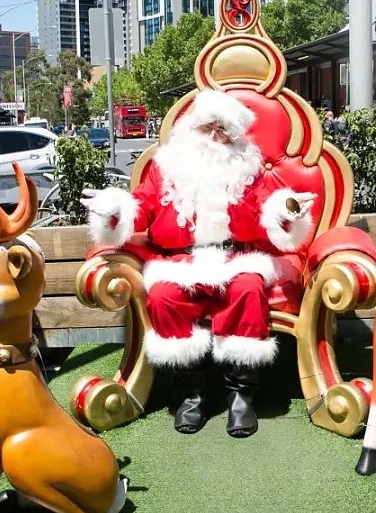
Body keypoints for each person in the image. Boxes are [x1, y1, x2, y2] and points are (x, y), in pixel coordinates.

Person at [82, 90, 316, 438]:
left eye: (225, 132)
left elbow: (268, 206)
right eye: (209, 128)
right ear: (192, 129)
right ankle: (191, 394)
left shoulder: (247, 171)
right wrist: (115, 209)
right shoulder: (166, 169)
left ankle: (241, 396)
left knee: (249, 288)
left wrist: (286, 209)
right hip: (180, 260)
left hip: (235, 256)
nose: (216, 138)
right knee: (162, 295)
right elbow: (141, 206)